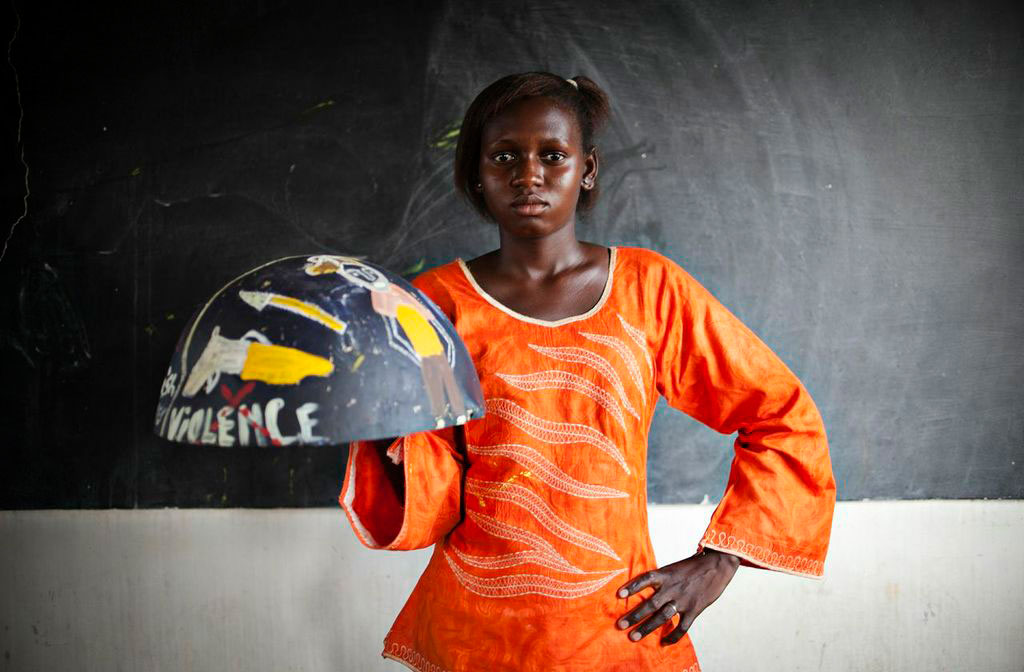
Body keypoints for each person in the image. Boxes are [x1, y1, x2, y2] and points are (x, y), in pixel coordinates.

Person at [339, 72, 835, 672]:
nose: (529, 174)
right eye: (504, 156)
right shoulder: (432, 306)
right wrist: (388, 435)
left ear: (588, 169)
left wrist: (717, 563)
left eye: (552, 154)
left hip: (616, 629)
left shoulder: (650, 291)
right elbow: (436, 481)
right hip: (474, 633)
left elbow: (781, 414)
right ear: (476, 172)